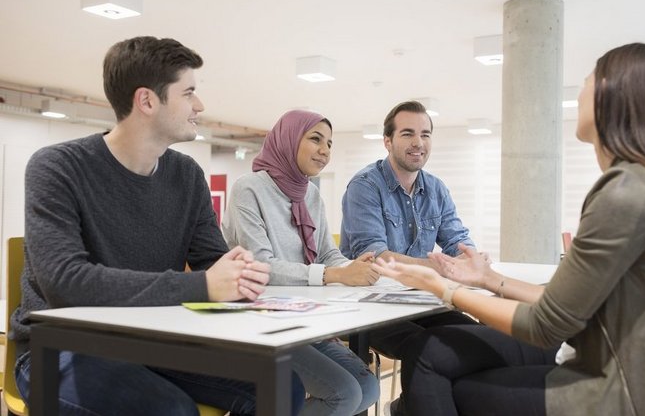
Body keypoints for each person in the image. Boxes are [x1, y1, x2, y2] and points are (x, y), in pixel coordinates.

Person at [372, 43, 645, 416]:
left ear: (613, 97)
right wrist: (487, 279)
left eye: (587, 82)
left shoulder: (625, 192)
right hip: (622, 372)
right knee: (435, 353)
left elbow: (547, 325)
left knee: (431, 364)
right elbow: (564, 303)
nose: (580, 92)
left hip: (606, 390)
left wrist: (444, 288)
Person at [9, 36, 305, 415]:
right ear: (147, 101)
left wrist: (241, 272)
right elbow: (65, 284)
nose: (200, 106)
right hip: (59, 349)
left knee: (282, 386)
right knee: (171, 410)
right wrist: (203, 285)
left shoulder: (186, 174)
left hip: (155, 340)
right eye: (189, 93)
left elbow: (212, 262)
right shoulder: (57, 167)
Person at [222, 109, 380, 415]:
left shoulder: (311, 194)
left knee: (369, 386)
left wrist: (354, 268)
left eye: (330, 144)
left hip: (304, 320)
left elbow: (326, 254)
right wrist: (335, 274)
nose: (325, 150)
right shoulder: (249, 188)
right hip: (262, 323)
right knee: (343, 394)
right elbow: (262, 267)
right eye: (316, 139)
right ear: (289, 139)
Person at [339, 100, 479, 361]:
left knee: (477, 337)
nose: (418, 142)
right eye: (407, 134)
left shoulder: (436, 188)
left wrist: (471, 258)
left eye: (425, 134)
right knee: (429, 350)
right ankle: (407, 404)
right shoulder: (365, 186)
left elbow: (457, 239)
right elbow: (376, 257)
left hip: (418, 301)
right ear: (387, 142)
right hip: (369, 304)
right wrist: (440, 267)